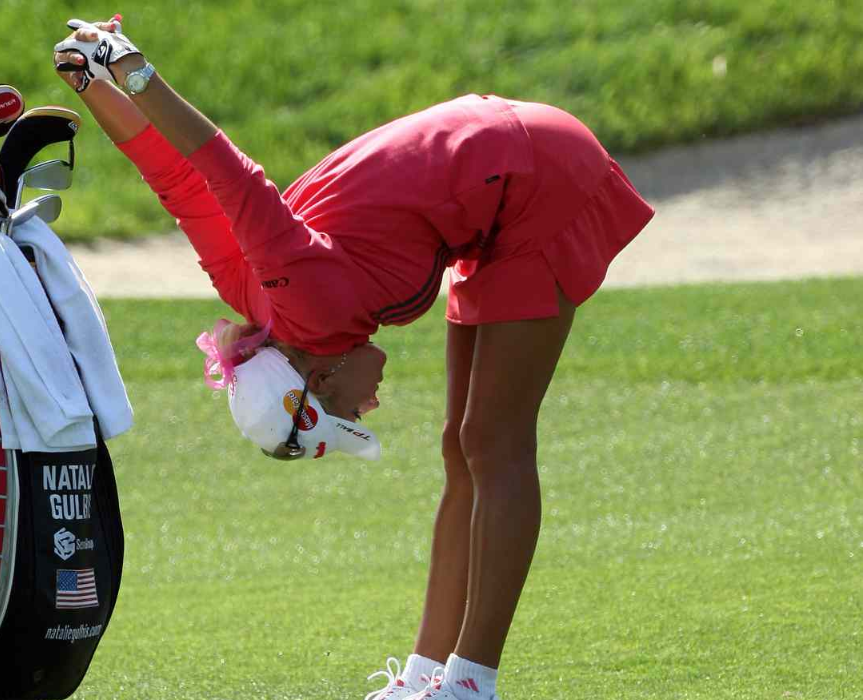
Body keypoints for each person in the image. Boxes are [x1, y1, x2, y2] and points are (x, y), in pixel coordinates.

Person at [53, 17, 654, 700]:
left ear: (318, 375)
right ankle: (428, 676)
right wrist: (89, 85)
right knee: (464, 450)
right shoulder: (251, 292)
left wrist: (130, 70)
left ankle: (471, 686)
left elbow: (222, 173)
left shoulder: (307, 302)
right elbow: (174, 183)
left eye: (341, 409)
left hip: (535, 173)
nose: (367, 405)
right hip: (493, 187)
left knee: (493, 442)